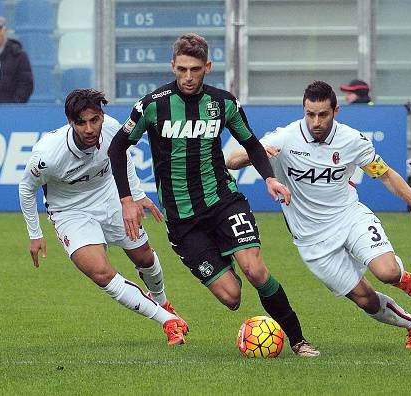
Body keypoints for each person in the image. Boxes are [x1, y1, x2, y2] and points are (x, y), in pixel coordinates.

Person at [108, 33, 319, 357]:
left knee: (255, 270)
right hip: (183, 220)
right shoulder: (153, 106)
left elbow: (250, 144)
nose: (188, 77)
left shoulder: (222, 103)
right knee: (231, 297)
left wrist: (268, 179)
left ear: (207, 67)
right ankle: (221, 253)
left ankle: (298, 340)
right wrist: (126, 200)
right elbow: (117, 146)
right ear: (173, 67)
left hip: (222, 201)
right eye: (182, 69)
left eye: (195, 69)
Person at [226, 80, 411, 349]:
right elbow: (232, 160)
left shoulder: (351, 140)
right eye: (310, 114)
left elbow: (386, 174)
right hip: (311, 239)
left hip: (349, 217)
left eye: (323, 114)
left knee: (386, 272)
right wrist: (256, 154)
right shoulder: (285, 137)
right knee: (364, 298)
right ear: (304, 110)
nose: (316, 121)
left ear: (336, 111)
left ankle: (400, 276)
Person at [18, 88, 188, 345]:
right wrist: (35, 233)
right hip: (69, 211)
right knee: (100, 272)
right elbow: (26, 188)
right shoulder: (47, 155)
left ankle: (164, 303)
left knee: (143, 256)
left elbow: (122, 156)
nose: (89, 129)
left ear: (102, 116)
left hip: (109, 196)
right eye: (81, 122)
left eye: (94, 119)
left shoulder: (111, 128)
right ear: (70, 122)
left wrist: (135, 194)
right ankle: (167, 321)